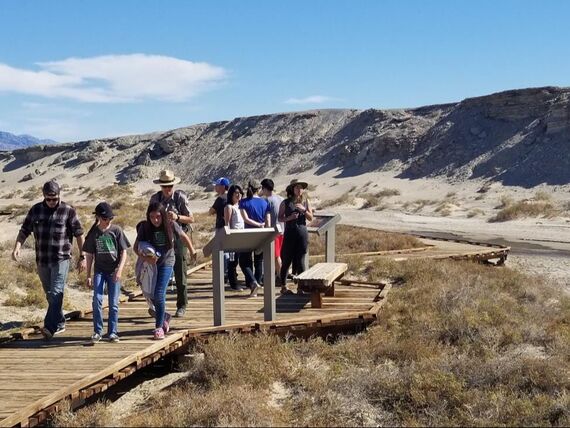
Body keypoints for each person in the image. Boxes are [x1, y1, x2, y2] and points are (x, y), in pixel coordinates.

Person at [12, 180, 86, 340]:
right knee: (50, 295)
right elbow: (24, 230)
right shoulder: (36, 210)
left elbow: (79, 233)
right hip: (42, 260)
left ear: (60, 195)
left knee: (56, 291)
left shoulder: (68, 211)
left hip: (61, 259)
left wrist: (83, 256)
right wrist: (17, 246)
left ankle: (49, 327)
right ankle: (59, 322)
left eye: (55, 199)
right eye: (48, 199)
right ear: (43, 196)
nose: (52, 202)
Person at [133, 201, 195, 340]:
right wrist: (145, 258)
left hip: (167, 262)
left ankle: (159, 328)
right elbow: (136, 248)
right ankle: (165, 316)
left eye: (158, 217)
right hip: (151, 264)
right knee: (150, 294)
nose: (155, 220)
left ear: (163, 216)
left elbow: (184, 237)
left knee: (159, 293)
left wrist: (192, 251)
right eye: (152, 217)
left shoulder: (171, 225)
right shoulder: (144, 227)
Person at [150, 170, 196, 318]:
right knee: (157, 273)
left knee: (180, 272)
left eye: (170, 186)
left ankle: (182, 304)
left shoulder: (180, 197)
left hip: (178, 238)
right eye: (165, 186)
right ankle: (157, 305)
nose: (167, 189)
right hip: (161, 240)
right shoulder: (155, 199)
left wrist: (177, 217)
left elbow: (191, 219)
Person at [83, 202, 130, 343]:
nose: (107, 222)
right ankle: (98, 331)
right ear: (98, 218)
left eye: (110, 219)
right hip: (100, 271)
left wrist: (119, 270)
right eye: (104, 219)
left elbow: (124, 252)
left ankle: (113, 332)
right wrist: (88, 276)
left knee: (113, 303)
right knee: (96, 300)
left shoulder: (116, 230)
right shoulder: (94, 233)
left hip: (113, 271)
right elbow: (90, 255)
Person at [278, 179, 314, 294]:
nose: (299, 190)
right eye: (297, 187)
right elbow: (279, 218)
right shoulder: (286, 202)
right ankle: (283, 286)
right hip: (289, 233)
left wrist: (304, 211)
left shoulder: (306, 201)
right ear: (292, 189)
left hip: (302, 233)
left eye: (301, 187)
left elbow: (310, 218)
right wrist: (289, 218)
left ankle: (301, 287)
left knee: (301, 260)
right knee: (286, 260)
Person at [239, 179, 270, 297]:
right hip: (261, 233)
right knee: (259, 260)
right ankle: (256, 284)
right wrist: (264, 228)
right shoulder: (264, 202)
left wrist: (256, 224)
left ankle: (253, 282)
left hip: (248, 233)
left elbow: (245, 219)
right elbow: (268, 220)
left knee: (244, 261)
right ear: (259, 189)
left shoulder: (244, 202)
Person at [260, 178, 285, 292]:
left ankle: (281, 276)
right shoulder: (281, 198)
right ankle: (279, 275)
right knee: (280, 254)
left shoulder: (267, 201)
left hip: (274, 231)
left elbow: (268, 217)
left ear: (265, 188)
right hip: (283, 230)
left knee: (276, 256)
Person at [224, 184, 246, 291]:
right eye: (236, 193)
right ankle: (233, 283)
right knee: (233, 262)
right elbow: (227, 224)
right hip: (234, 237)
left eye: (240, 193)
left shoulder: (241, 206)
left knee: (241, 260)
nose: (238, 195)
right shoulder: (229, 207)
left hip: (242, 236)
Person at [209, 177, 230, 280]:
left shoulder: (220, 199)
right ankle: (230, 272)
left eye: (217, 186)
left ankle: (223, 273)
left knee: (222, 250)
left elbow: (211, 211)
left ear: (222, 187)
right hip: (231, 227)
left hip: (221, 227)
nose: (215, 188)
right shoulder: (231, 197)